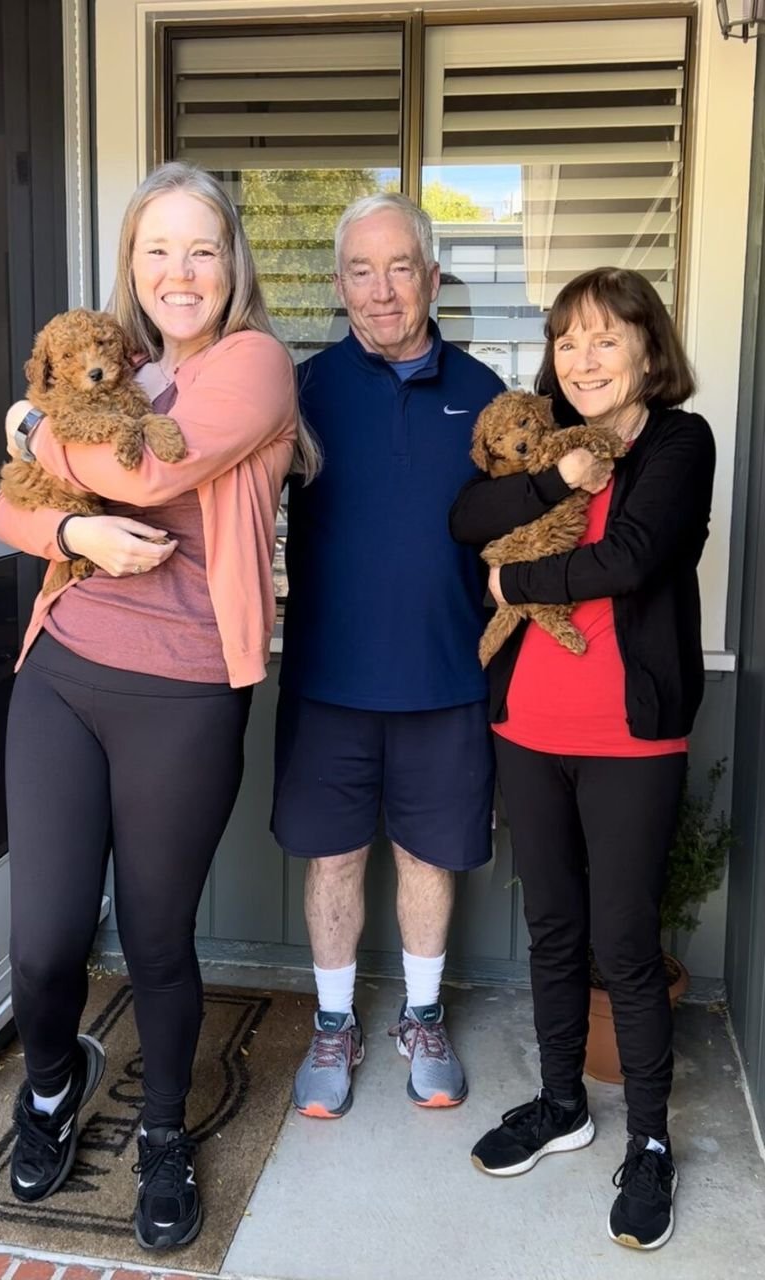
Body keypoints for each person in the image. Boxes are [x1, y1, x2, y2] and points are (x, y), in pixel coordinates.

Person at [0, 161, 315, 1251]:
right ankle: (48, 1090)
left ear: (233, 265)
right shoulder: (109, 366)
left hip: (181, 690)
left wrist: (37, 430)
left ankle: (165, 1132)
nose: (180, 272)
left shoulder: (255, 364)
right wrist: (69, 530)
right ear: (131, 264)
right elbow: (10, 508)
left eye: (202, 248)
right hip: (63, 674)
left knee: (158, 936)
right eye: (157, 249)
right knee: (42, 943)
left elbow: (132, 472)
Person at [450, 267, 715, 1251]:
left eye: (606, 338)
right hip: (528, 726)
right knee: (553, 929)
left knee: (625, 943)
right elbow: (463, 518)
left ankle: (648, 1140)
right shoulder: (552, 449)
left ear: (650, 351)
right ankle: (563, 1103)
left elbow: (632, 557)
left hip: (631, 738)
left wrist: (514, 575)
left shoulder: (681, 442)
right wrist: (549, 485)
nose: (584, 358)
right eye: (567, 340)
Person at [272, 193, 504, 1119]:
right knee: (330, 861)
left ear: (432, 277)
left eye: (399, 267)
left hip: (447, 679)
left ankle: (421, 1016)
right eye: (360, 271)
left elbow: (523, 535)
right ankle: (335, 1024)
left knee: (425, 858)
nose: (380, 289)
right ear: (337, 285)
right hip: (328, 680)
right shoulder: (297, 392)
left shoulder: (485, 397)